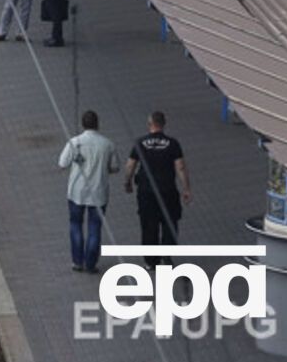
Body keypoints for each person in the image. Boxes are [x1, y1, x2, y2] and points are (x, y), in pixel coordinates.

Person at [125, 111, 192, 261]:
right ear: (163, 124)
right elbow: (180, 167)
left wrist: (127, 182)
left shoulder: (140, 143)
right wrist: (186, 188)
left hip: (146, 192)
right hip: (168, 190)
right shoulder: (173, 144)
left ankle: (151, 261)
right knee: (169, 223)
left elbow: (130, 166)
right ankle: (166, 256)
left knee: (149, 226)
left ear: (149, 124)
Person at [59, 110, 119, 273]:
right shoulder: (107, 144)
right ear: (97, 124)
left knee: (75, 224)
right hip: (98, 192)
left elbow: (62, 163)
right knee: (95, 228)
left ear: (82, 124)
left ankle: (77, 261)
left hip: (76, 191)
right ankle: (91, 263)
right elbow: (115, 167)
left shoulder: (75, 142)